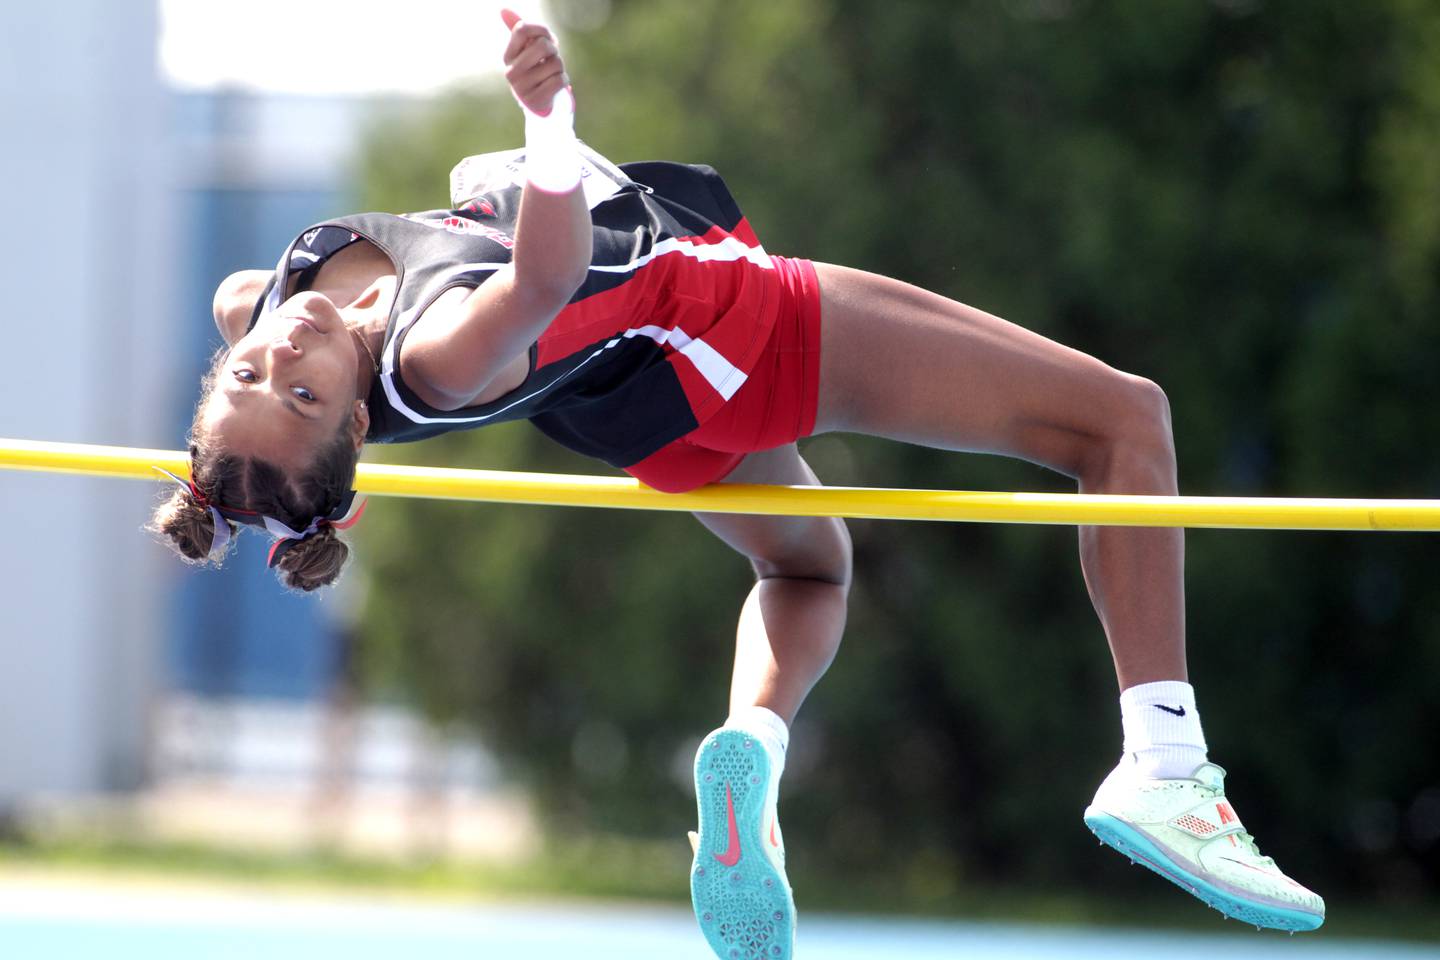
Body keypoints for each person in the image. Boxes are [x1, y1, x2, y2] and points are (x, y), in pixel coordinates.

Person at [150, 9, 1325, 958]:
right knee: (1124, 423)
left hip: (630, 404)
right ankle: (1165, 766)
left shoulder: (255, 301)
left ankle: (749, 756)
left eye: (252, 373)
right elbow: (546, 274)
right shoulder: (434, 354)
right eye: (300, 395)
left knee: (806, 564)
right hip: (726, 329)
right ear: (358, 420)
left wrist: (247, 451)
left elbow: (261, 350)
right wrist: (548, 125)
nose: (281, 353)